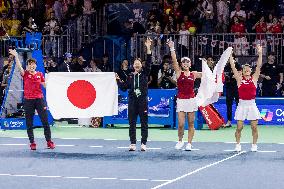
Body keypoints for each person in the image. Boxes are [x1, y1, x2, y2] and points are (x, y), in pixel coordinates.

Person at [9, 49, 55, 151]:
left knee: (45, 122)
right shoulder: (24, 73)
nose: (31, 66)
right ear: (28, 66)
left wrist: (51, 79)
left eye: (33, 64)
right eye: (29, 64)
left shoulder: (40, 74)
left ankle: (49, 142)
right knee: (29, 123)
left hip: (39, 100)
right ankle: (32, 143)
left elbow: (45, 85)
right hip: (28, 101)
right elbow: (19, 66)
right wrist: (16, 56)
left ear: (36, 65)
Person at [116, 38, 152, 152]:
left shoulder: (145, 74)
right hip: (132, 102)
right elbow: (123, 87)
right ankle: (132, 143)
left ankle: (143, 143)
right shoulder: (130, 76)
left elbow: (149, 61)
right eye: (135, 63)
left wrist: (148, 48)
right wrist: (118, 80)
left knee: (144, 123)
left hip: (143, 102)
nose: (137, 65)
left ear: (141, 65)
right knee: (132, 123)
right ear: (133, 65)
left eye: (139, 63)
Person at [167, 40, 202, 151]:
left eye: (187, 62)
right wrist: (172, 48)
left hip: (191, 100)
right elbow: (174, 60)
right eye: (184, 62)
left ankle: (189, 143)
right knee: (181, 124)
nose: (186, 64)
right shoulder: (178, 73)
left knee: (191, 123)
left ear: (190, 64)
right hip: (181, 100)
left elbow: (208, 76)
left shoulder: (194, 74)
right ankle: (180, 141)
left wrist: (214, 69)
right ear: (181, 64)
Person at [229, 45, 262, 152]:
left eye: (248, 68)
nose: (247, 69)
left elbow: (259, 66)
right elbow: (233, 67)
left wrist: (260, 53)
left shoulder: (254, 78)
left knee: (254, 127)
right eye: (245, 68)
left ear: (251, 70)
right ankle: (238, 144)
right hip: (242, 104)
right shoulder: (239, 79)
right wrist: (230, 55)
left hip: (252, 104)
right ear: (242, 71)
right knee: (239, 127)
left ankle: (254, 145)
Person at [223, 57, 241, 127]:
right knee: (229, 104)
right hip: (228, 87)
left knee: (238, 104)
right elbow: (224, 77)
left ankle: (239, 121)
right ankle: (229, 121)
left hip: (237, 87)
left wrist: (237, 75)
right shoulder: (226, 66)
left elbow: (240, 74)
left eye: (230, 58)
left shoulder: (238, 65)